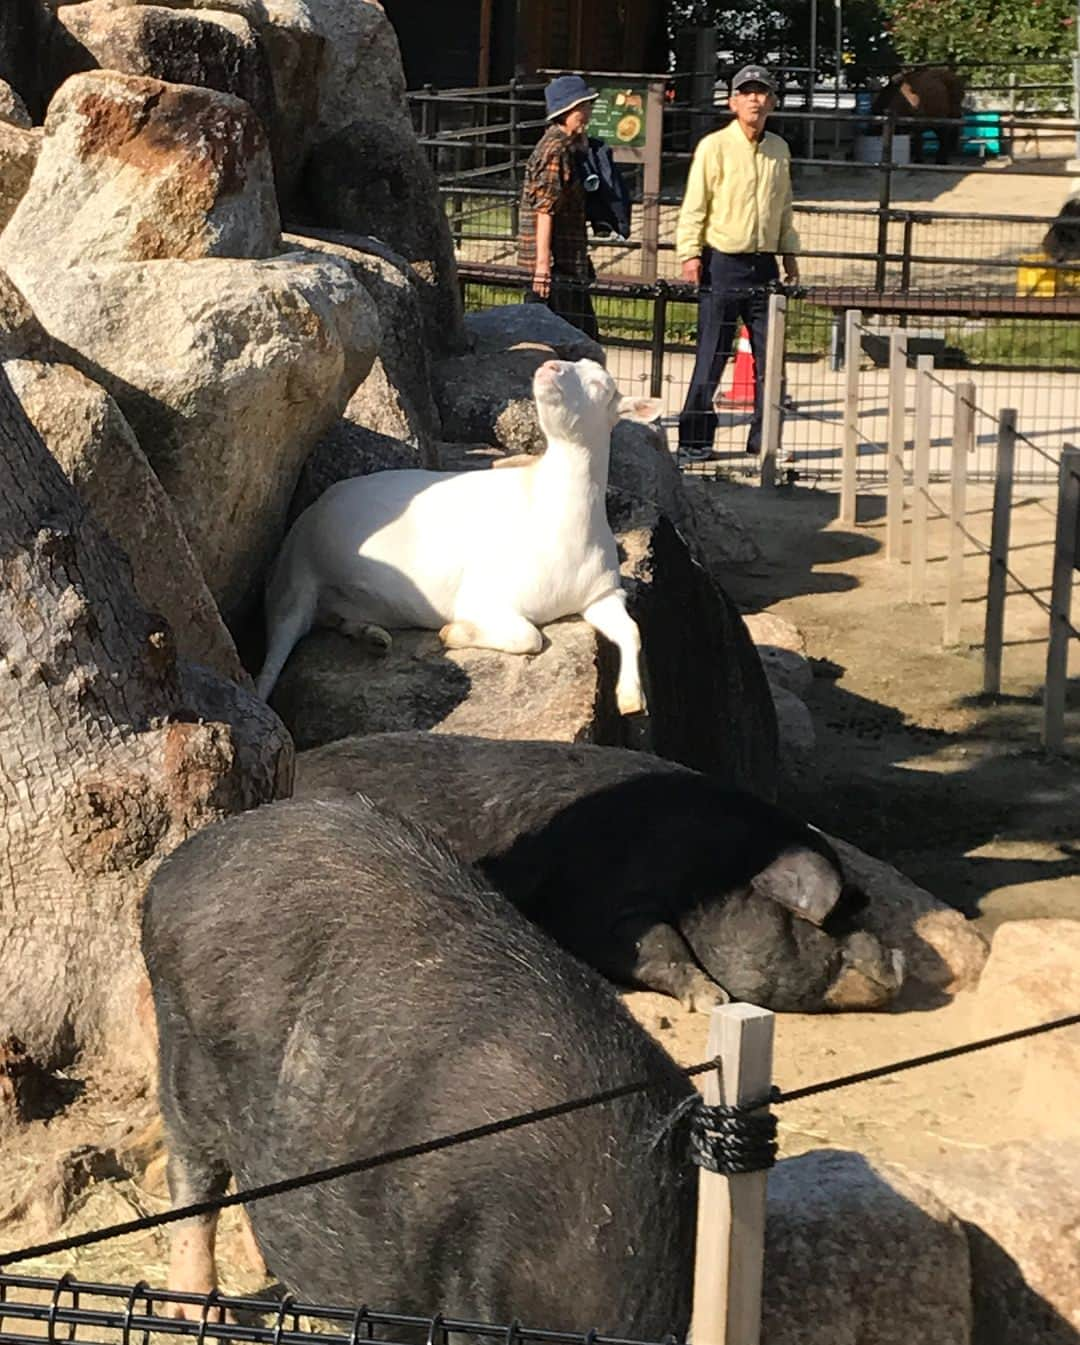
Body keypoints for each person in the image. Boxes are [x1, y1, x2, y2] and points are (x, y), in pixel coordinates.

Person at [675, 65, 800, 460]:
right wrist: (690, 253)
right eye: (746, 92)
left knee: (770, 357)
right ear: (732, 101)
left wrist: (789, 254)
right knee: (711, 354)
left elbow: (784, 207)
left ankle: (763, 441)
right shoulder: (714, 146)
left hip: (764, 266)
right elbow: (695, 204)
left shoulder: (779, 149)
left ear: (773, 102)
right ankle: (695, 440)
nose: (755, 100)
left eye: (762, 93)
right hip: (722, 263)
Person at [518, 74, 599, 339]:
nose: (588, 112)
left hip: (565, 263)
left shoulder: (565, 146)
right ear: (567, 111)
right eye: (583, 107)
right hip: (555, 268)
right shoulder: (555, 150)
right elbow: (545, 208)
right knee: (577, 343)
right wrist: (542, 267)